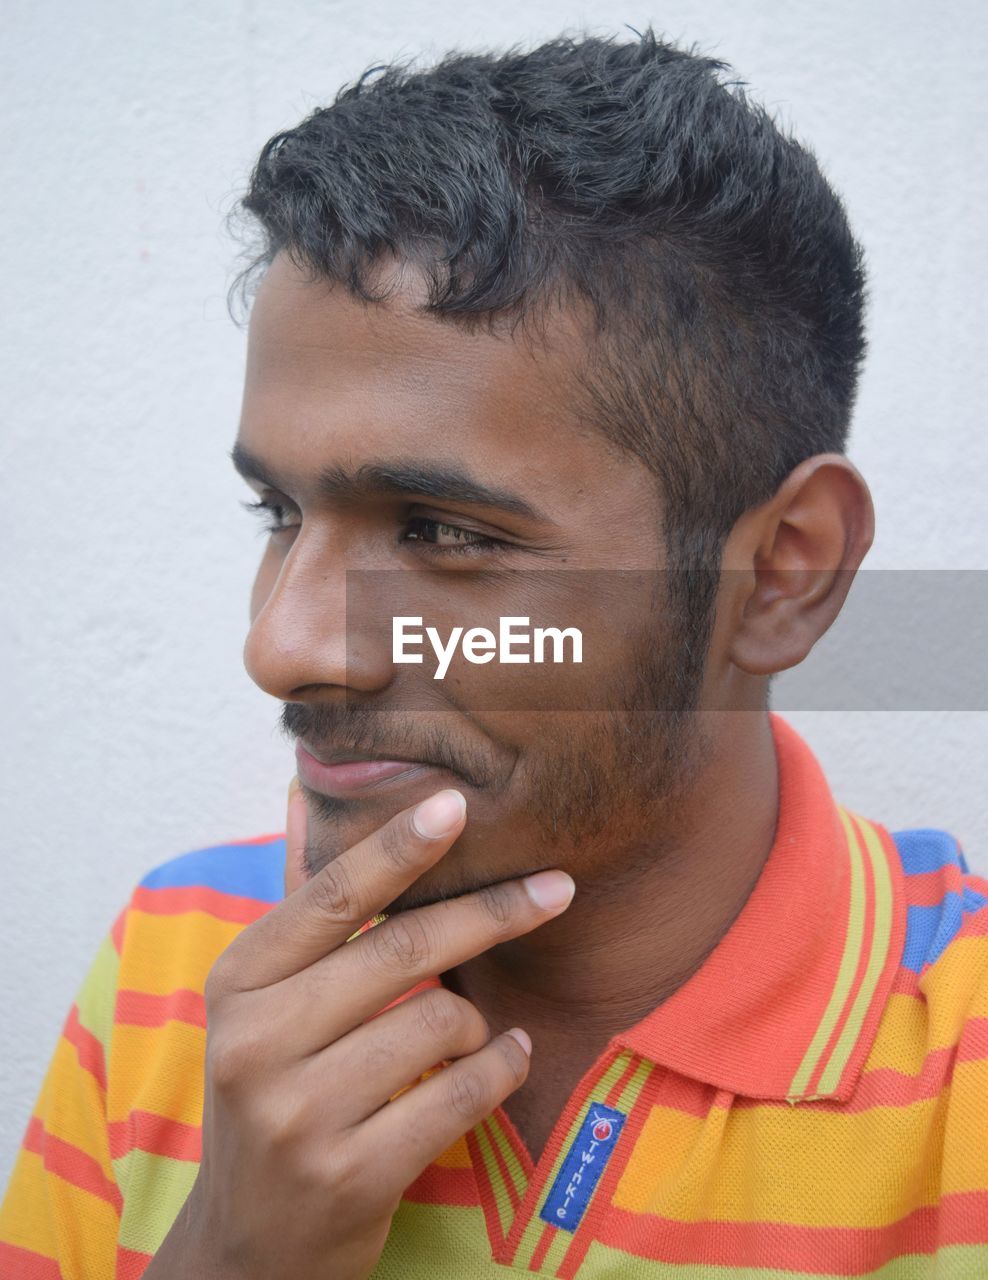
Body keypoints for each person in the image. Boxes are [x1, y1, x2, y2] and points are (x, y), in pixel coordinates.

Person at [2, 25, 986, 1279]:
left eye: (443, 531)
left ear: (783, 570)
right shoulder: (180, 957)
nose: (283, 644)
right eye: (280, 514)